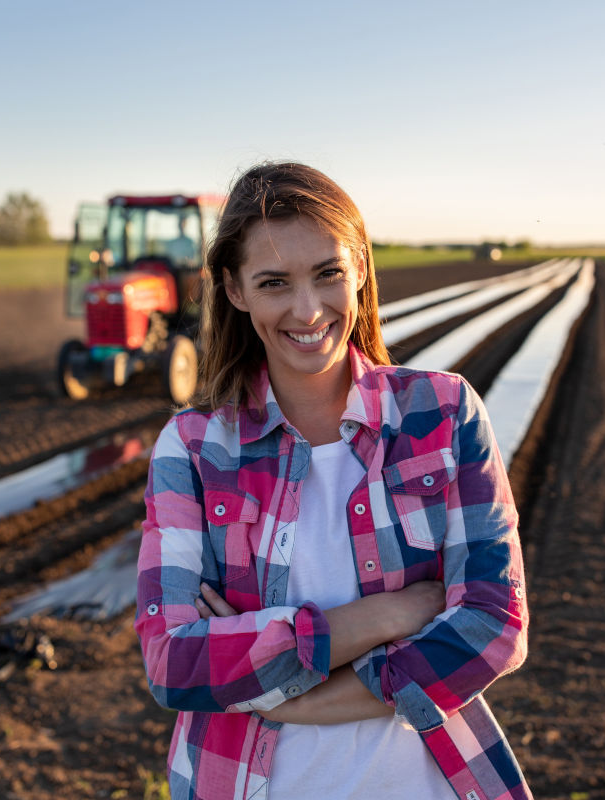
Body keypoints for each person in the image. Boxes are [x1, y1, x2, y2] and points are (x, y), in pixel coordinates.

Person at [135, 162, 532, 800]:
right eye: (273, 282)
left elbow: (494, 624)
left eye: (328, 274)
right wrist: (386, 615)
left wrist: (291, 696)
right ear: (235, 290)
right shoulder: (194, 448)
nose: (307, 308)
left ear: (360, 271)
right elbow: (173, 662)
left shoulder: (443, 413)